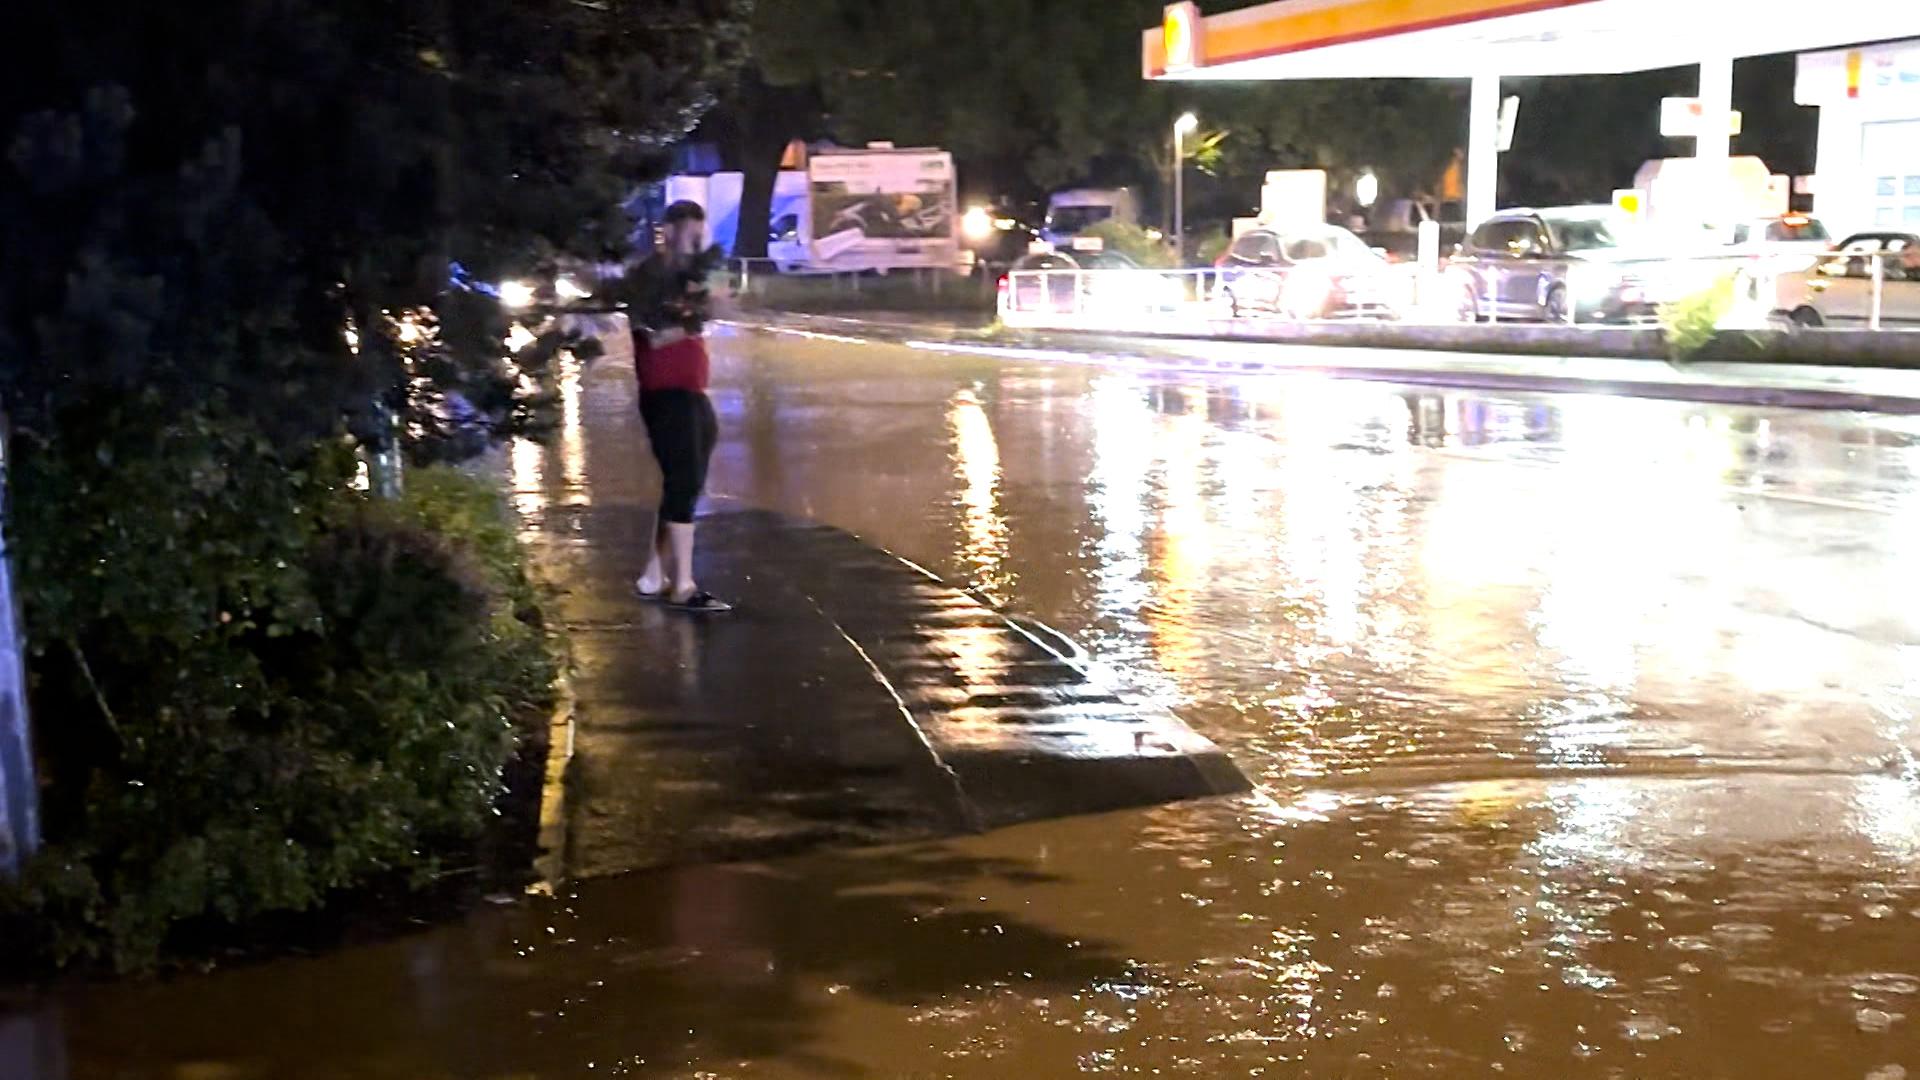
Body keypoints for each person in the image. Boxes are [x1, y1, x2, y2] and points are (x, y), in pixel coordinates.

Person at [631, 200, 729, 612]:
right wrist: (697, 316)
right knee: (684, 482)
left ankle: (655, 573)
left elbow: (712, 309)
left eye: (699, 237)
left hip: (693, 391)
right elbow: (652, 333)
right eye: (689, 235)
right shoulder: (650, 276)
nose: (694, 244)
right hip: (666, 393)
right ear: (668, 231)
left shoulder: (691, 277)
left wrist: (708, 305)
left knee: (683, 482)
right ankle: (684, 585)